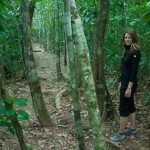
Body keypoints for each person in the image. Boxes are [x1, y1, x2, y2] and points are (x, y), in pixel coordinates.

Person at [109, 29, 141, 142]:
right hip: (125, 83)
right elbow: (124, 69)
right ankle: (132, 128)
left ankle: (120, 134)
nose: (127, 39)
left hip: (129, 85)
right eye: (126, 37)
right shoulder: (127, 50)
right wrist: (121, 82)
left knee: (123, 108)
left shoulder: (135, 52)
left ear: (134, 38)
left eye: (129, 37)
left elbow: (134, 71)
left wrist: (128, 87)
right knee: (131, 106)